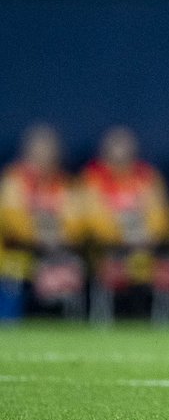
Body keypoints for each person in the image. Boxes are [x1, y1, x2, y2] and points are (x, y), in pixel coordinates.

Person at [81, 125, 169, 317]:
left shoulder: (147, 177)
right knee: (107, 269)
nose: (122, 155)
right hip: (110, 250)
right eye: (117, 150)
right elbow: (93, 219)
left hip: (147, 248)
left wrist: (145, 234)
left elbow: (160, 218)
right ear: (105, 152)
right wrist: (123, 233)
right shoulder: (94, 178)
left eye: (127, 150)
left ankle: (161, 325)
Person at [0, 124, 87, 313]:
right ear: (27, 152)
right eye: (38, 151)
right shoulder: (14, 179)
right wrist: (40, 233)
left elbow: (76, 221)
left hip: (57, 251)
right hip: (18, 252)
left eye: (49, 151)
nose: (44, 156)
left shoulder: (63, 183)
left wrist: (56, 235)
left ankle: (67, 324)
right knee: (14, 267)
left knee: (72, 267)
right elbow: (12, 219)